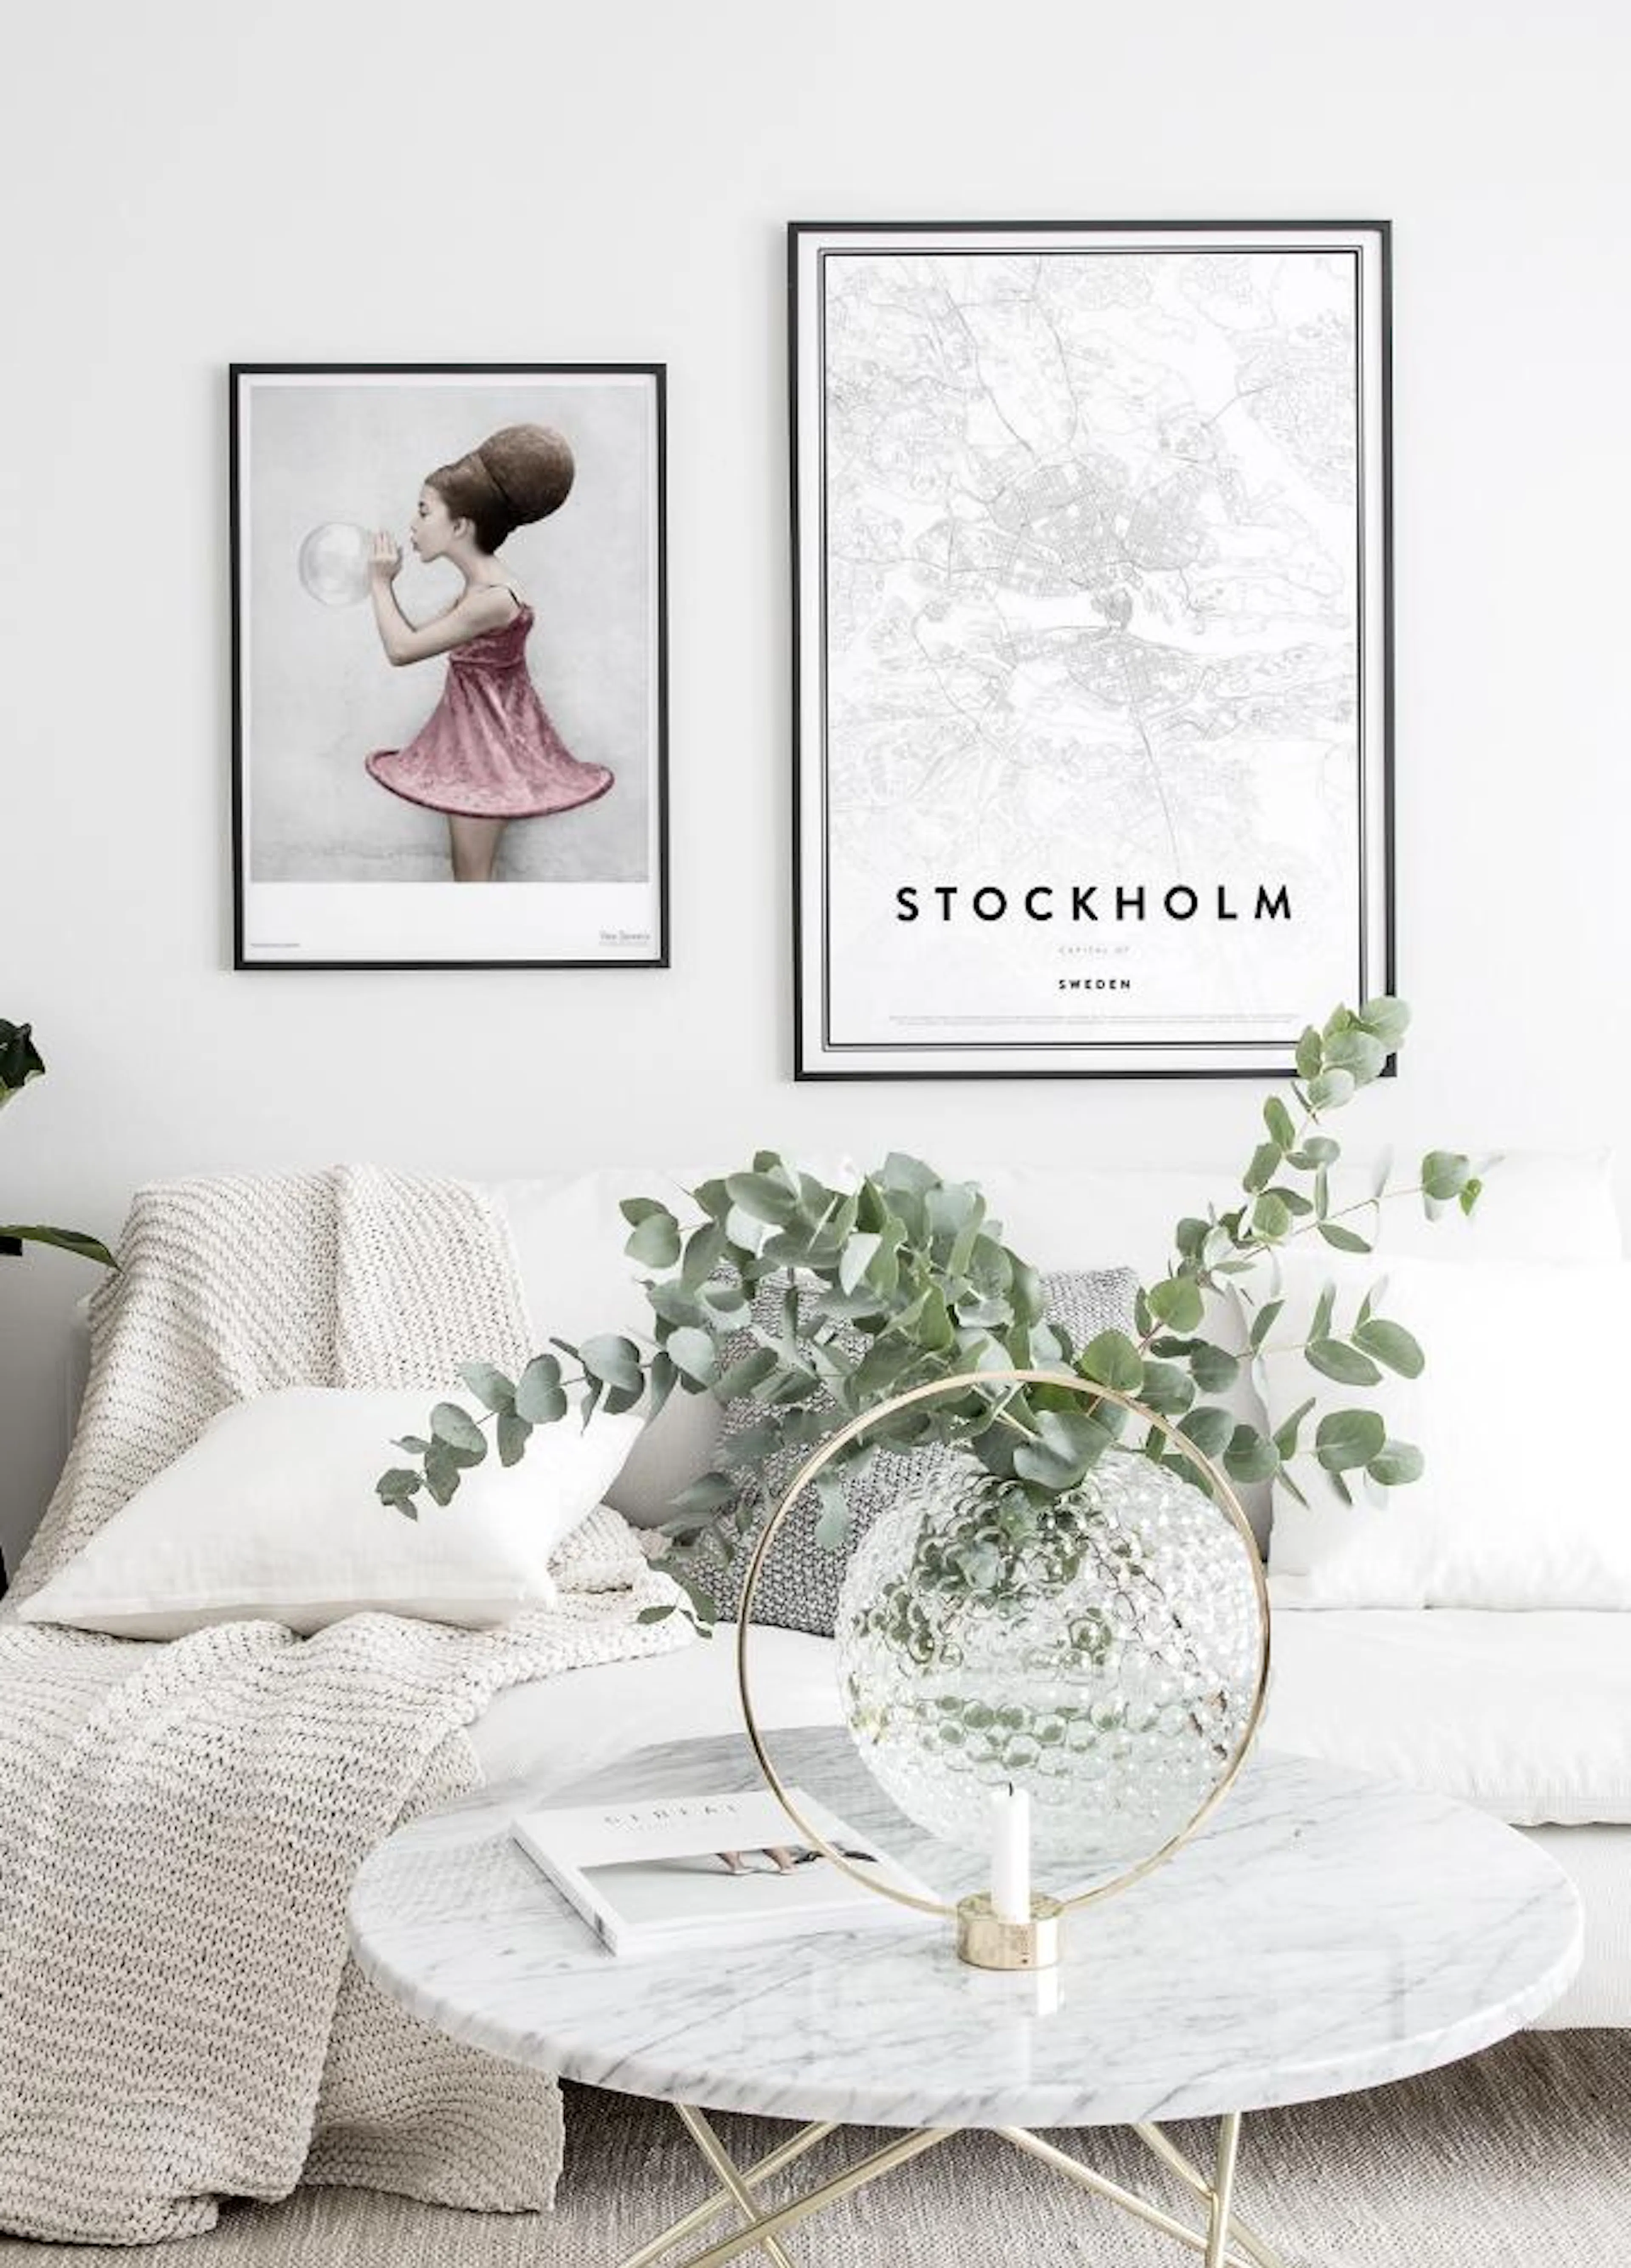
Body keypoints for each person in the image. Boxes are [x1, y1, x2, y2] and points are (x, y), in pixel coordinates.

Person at [364, 423, 612, 883]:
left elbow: (401, 649)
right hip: (475, 748)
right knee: (470, 877)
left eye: (423, 512)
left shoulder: (492, 600)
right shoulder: (482, 588)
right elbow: (419, 638)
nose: (413, 526)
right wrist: (388, 588)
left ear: (459, 525)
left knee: (472, 881)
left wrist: (378, 584)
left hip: (485, 756)